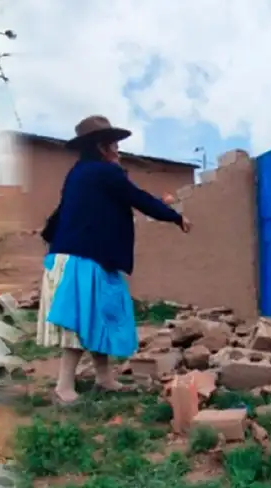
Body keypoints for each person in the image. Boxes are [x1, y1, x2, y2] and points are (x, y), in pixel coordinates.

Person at [38, 115, 192, 405]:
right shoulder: (106, 174)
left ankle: (104, 377)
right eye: (114, 144)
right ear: (101, 146)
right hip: (82, 259)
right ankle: (63, 386)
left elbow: (66, 210)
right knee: (80, 323)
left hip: (82, 256)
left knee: (99, 319)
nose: (118, 150)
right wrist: (175, 217)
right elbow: (139, 198)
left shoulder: (79, 173)